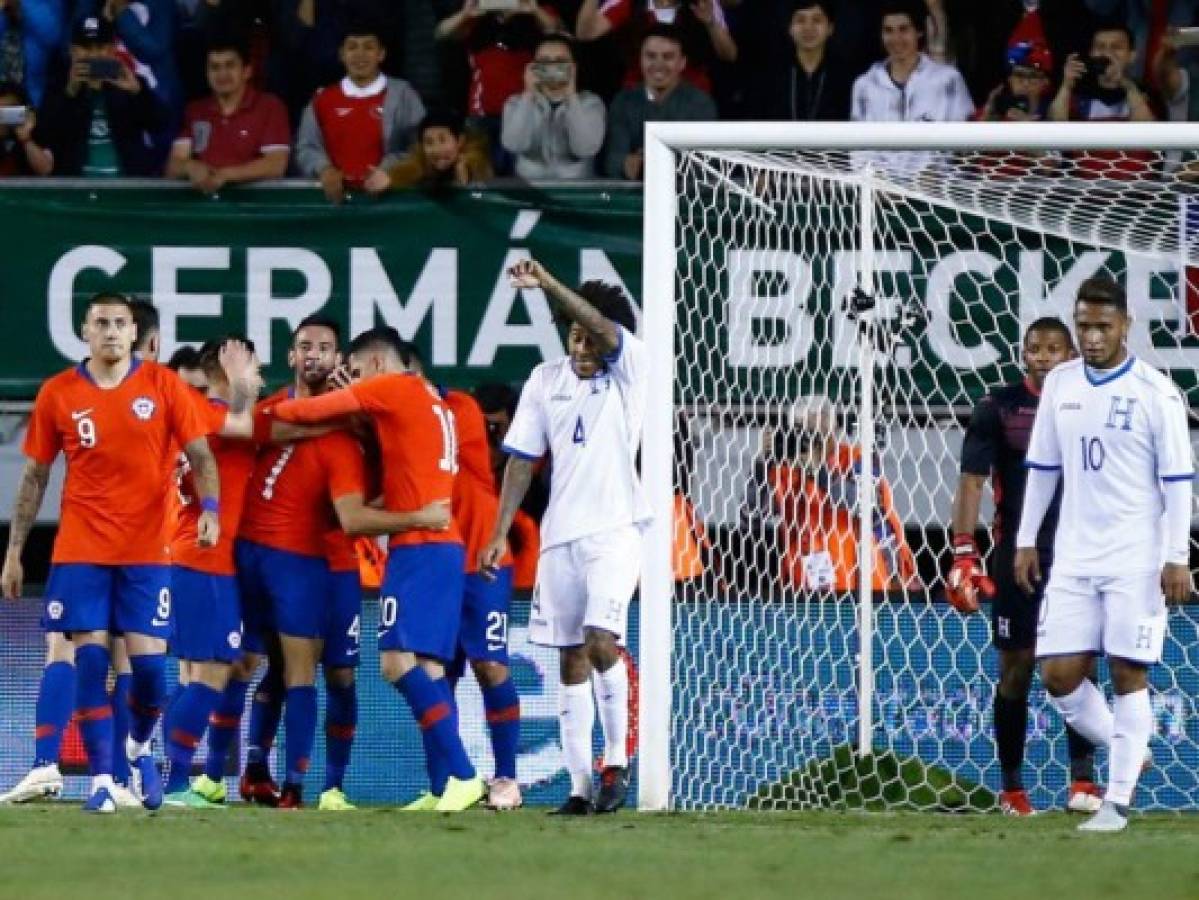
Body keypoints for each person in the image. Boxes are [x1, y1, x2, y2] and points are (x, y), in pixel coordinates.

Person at [0, 292, 218, 814]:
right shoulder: (58, 393)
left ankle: (136, 747)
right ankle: (100, 779)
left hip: (146, 552)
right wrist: (14, 550)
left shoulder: (164, 386)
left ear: (133, 331)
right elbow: (35, 475)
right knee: (89, 658)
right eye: (102, 323)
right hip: (81, 550)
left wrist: (210, 508)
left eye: (121, 323)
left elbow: (202, 454)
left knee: (149, 676)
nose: (112, 331)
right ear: (85, 331)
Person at [268, 326, 485, 813]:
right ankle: (442, 786)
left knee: (394, 663)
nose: (355, 381)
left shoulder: (393, 386)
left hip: (419, 548)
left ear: (380, 366)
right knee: (429, 669)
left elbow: (304, 410)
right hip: (442, 547)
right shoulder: (431, 399)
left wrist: (264, 411)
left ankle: (466, 775)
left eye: (359, 372)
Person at [1014, 276, 1194, 833]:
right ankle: (1128, 748)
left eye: (1102, 327)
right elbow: (1043, 467)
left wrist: (1177, 555)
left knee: (1126, 671)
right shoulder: (1062, 384)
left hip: (1135, 556)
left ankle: (1116, 802)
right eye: (1084, 326)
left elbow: (1178, 481)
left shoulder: (1156, 393)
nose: (1092, 337)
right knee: (1058, 675)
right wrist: (1025, 538)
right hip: (1072, 556)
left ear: (1125, 326)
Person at [481, 259, 651, 815]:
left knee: (603, 638)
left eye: (589, 335)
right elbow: (521, 462)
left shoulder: (632, 370)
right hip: (560, 540)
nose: (581, 345)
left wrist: (549, 283)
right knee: (570, 660)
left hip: (616, 531)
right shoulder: (544, 381)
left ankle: (616, 761)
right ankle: (579, 789)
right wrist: (500, 531)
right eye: (572, 334)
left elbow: (604, 328)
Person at [947, 318, 1101, 817]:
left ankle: (1084, 784)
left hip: (1079, 553)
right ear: (1022, 353)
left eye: (1053, 349)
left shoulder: (1091, 404)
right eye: (1034, 348)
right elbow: (972, 481)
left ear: (1071, 354)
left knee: (1080, 667)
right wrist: (964, 552)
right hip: (1016, 556)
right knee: (1016, 670)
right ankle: (1012, 791)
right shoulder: (999, 408)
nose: (1042, 357)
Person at [393, 342, 524, 811]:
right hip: (436, 560)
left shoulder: (458, 408)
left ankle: (507, 778)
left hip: (483, 557)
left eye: (401, 371)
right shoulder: (388, 420)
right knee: (437, 674)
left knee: (491, 666)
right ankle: (443, 785)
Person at [160, 337, 263, 808]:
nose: (260, 379)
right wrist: (243, 384)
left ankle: (163, 776)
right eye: (254, 368)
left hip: (197, 557)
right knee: (212, 673)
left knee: (195, 674)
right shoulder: (204, 412)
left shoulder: (198, 414)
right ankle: (174, 781)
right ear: (227, 368)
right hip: (203, 558)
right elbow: (244, 423)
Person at [742, 396, 917, 594]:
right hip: (805, 593)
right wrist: (762, 464)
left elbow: (867, 504)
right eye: (800, 429)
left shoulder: (857, 458)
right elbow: (750, 518)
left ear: (832, 428)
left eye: (813, 429)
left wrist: (819, 471)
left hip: (862, 589)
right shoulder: (786, 470)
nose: (807, 438)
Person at [295, 21, 426, 204]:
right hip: (335, 206)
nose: (360, 54)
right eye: (352, 47)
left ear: (381, 54)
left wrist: (389, 171)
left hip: (391, 202)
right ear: (341, 54)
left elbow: (420, 147)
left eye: (368, 47)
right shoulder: (322, 99)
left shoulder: (404, 95)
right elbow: (306, 148)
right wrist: (324, 169)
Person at [23, 15, 170, 176]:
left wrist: (137, 91)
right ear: (73, 51)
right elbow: (44, 137)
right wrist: (70, 93)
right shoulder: (59, 87)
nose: (93, 55)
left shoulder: (130, 82)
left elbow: (161, 125)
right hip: (76, 190)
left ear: (113, 49)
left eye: (100, 47)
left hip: (126, 189)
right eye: (86, 48)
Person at [434, 0, 562, 174]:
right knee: (480, 176)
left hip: (524, 113)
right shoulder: (477, 16)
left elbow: (555, 29)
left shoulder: (534, 11)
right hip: (481, 115)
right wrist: (464, 14)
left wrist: (534, 9)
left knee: (522, 177)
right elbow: (442, 32)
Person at [849, 0, 973, 175]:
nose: (896, 39)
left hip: (936, 192)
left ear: (919, 32)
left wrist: (933, 173)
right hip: (879, 194)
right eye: (888, 31)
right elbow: (858, 148)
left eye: (903, 29)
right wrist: (876, 178)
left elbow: (963, 143)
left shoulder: (948, 79)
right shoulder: (864, 85)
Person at [166, 38, 290, 194]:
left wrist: (225, 175)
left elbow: (275, 165)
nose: (222, 74)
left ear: (247, 71)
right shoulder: (195, 110)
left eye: (229, 65)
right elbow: (173, 165)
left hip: (253, 208)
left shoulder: (270, 107)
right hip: (204, 207)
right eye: (214, 67)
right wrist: (190, 167)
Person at [603, 24, 716, 181]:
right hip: (633, 199)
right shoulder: (623, 102)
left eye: (668, 57)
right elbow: (612, 160)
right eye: (651, 56)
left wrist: (655, 162)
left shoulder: (701, 105)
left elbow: (704, 166)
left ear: (682, 62)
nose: (658, 64)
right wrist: (626, 165)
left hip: (682, 199)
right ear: (640, 59)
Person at [501, 33, 606, 180]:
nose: (552, 68)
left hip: (576, 191)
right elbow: (513, 145)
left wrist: (571, 96)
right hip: (530, 189)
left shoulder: (590, 103)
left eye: (560, 62)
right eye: (544, 62)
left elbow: (585, 148)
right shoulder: (516, 103)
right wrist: (528, 94)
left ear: (573, 67)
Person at [756, 0, 853, 121]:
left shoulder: (845, 76)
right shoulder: (770, 75)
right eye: (800, 20)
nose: (808, 28)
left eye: (817, 20)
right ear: (790, 28)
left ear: (830, 28)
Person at [387, 107, 493, 190]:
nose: (437, 150)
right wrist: (389, 179)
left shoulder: (475, 162)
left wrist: (464, 175)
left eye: (443, 140)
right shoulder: (418, 163)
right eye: (429, 142)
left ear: (460, 141)